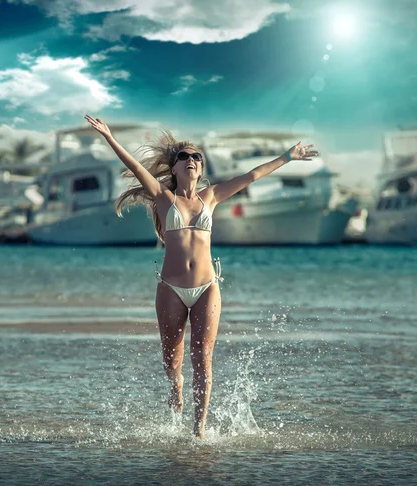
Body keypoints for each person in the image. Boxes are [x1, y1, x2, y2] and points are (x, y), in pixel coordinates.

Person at [84, 115, 319, 438]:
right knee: (172, 359)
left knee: (203, 358)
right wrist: (109, 137)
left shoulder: (212, 196)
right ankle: (176, 387)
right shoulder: (165, 199)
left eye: (197, 157)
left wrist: (289, 157)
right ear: (175, 167)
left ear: (201, 168)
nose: (192, 160)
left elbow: (252, 175)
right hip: (171, 288)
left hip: (208, 287)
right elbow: (137, 169)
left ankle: (199, 430)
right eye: (185, 156)